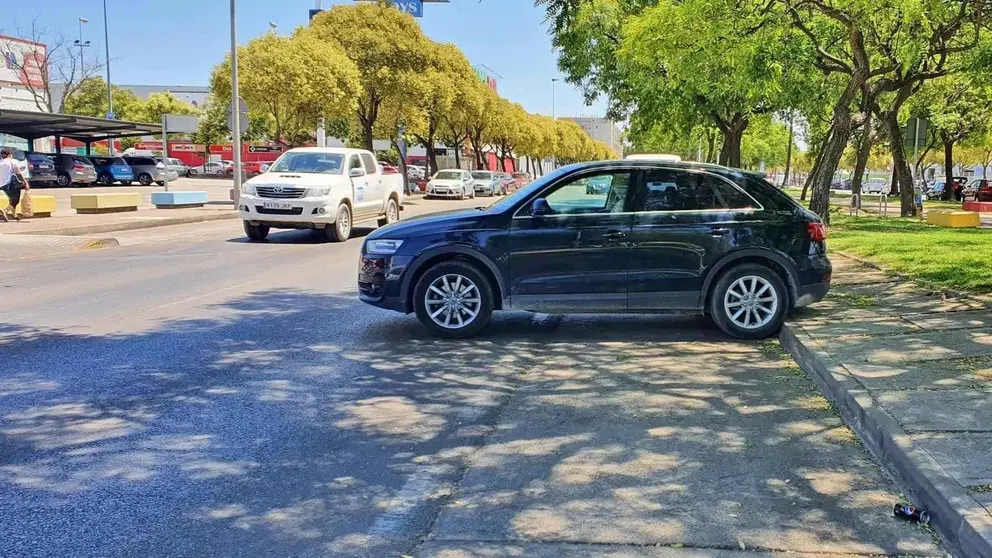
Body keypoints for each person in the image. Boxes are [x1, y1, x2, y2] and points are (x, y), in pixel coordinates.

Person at [0, 148, 30, 221]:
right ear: (10, 154)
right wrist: (25, 183)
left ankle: (14, 215)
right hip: (11, 184)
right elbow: (18, 173)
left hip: (2, 184)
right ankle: (5, 211)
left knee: (12, 200)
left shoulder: (0, 162)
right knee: (15, 200)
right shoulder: (13, 162)